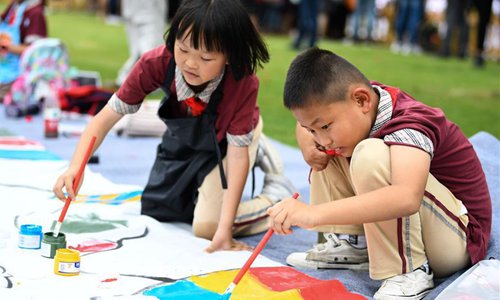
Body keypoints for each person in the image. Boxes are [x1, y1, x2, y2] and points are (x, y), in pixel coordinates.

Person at [53, 0, 295, 253]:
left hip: (233, 141)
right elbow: (103, 120)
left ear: (228, 57)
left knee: (207, 227)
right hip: (191, 135)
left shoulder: (242, 81)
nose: (190, 63)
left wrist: (225, 230)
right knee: (160, 210)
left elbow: (236, 156)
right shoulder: (155, 63)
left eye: (205, 57)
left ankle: (275, 194)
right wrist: (75, 167)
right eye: (183, 49)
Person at [267, 48, 491, 299]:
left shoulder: (411, 123)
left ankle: (408, 270)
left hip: (457, 241)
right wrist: (308, 141)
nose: (322, 138)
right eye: (313, 129)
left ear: (362, 100)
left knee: (370, 154)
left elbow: (406, 197)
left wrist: (313, 214)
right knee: (335, 149)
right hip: (426, 228)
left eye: (325, 126)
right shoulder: (350, 105)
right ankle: (355, 244)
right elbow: (306, 122)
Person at [0, 0, 47, 102]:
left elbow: (35, 50)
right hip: (4, 69)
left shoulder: (36, 13)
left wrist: (5, 46)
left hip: (19, 77)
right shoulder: (15, 5)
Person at [115, 0, 167, 86]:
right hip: (131, 15)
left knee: (148, 53)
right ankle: (126, 79)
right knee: (136, 52)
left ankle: (150, 82)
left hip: (151, 16)